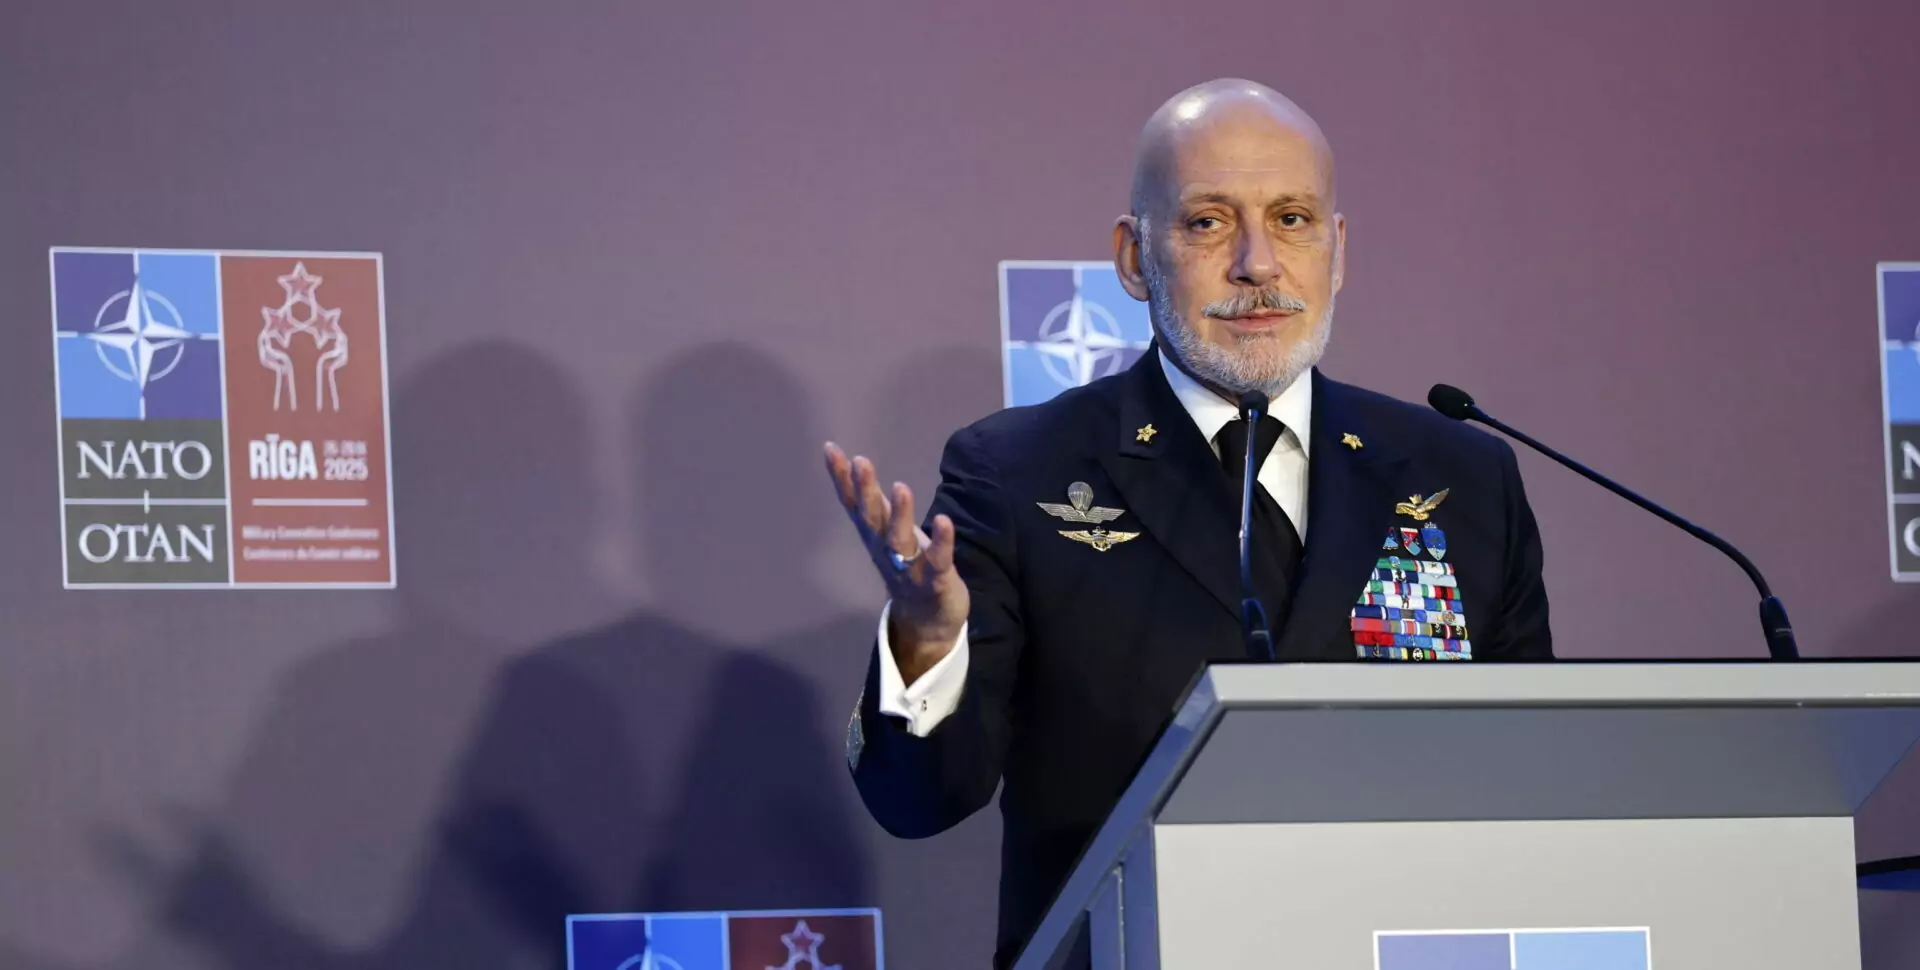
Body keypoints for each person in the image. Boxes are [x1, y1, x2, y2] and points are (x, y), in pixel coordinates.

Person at [823, 78, 1553, 969]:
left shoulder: (1460, 474)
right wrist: (929, 644)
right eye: (1208, 222)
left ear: (1338, 250)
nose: (1258, 264)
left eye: (1292, 219)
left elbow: (1533, 782)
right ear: (1135, 259)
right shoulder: (1018, 473)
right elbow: (920, 802)